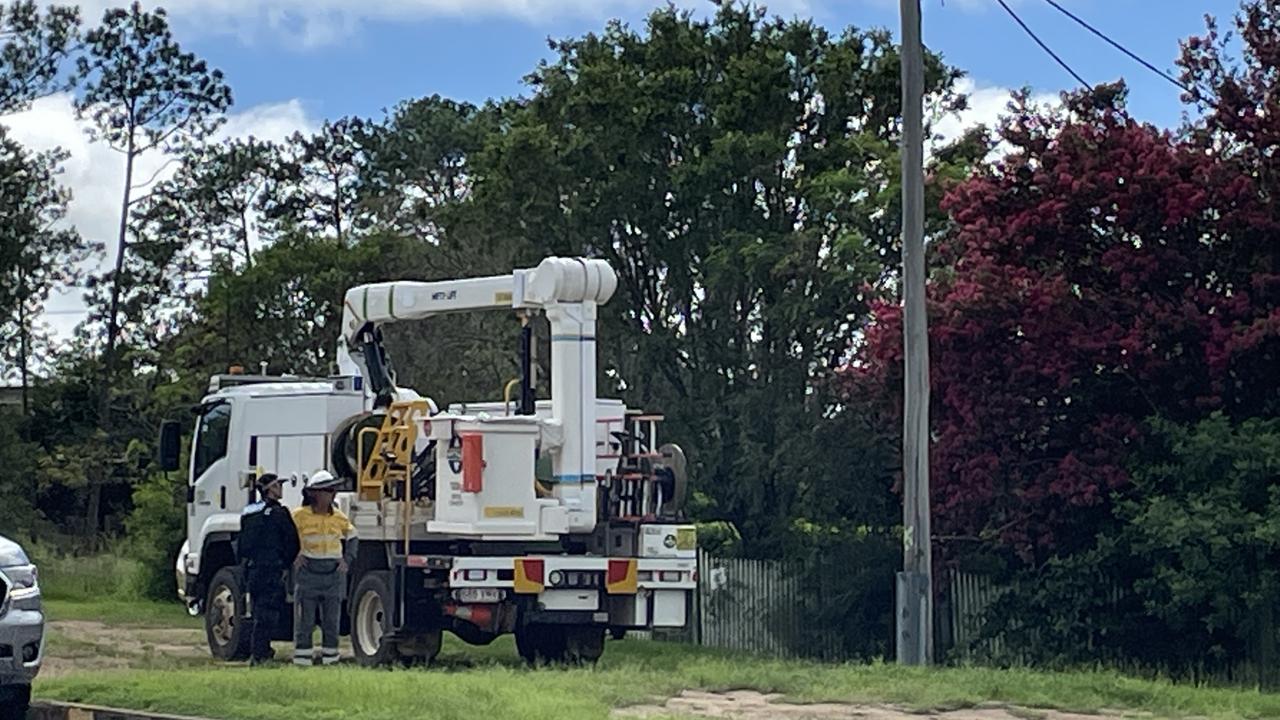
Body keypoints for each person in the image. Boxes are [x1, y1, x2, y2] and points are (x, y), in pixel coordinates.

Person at [292, 470, 358, 666]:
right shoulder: (298, 516)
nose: (332, 494)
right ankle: (303, 661)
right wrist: (293, 556)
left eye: (333, 490)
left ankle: (331, 660)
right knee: (305, 621)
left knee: (332, 622)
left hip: (333, 575)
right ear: (314, 494)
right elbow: (285, 536)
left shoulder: (339, 517)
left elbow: (353, 537)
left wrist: (347, 559)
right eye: (328, 490)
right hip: (308, 574)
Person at [237, 472, 299, 666]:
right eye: (278, 485)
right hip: (271, 568)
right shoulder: (280, 514)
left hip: (252, 568)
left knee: (255, 611)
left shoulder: (249, 512)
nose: (281, 489)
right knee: (268, 612)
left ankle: (256, 650)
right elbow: (292, 542)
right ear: (270, 490)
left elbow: (242, 544)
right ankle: (261, 653)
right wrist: (285, 564)